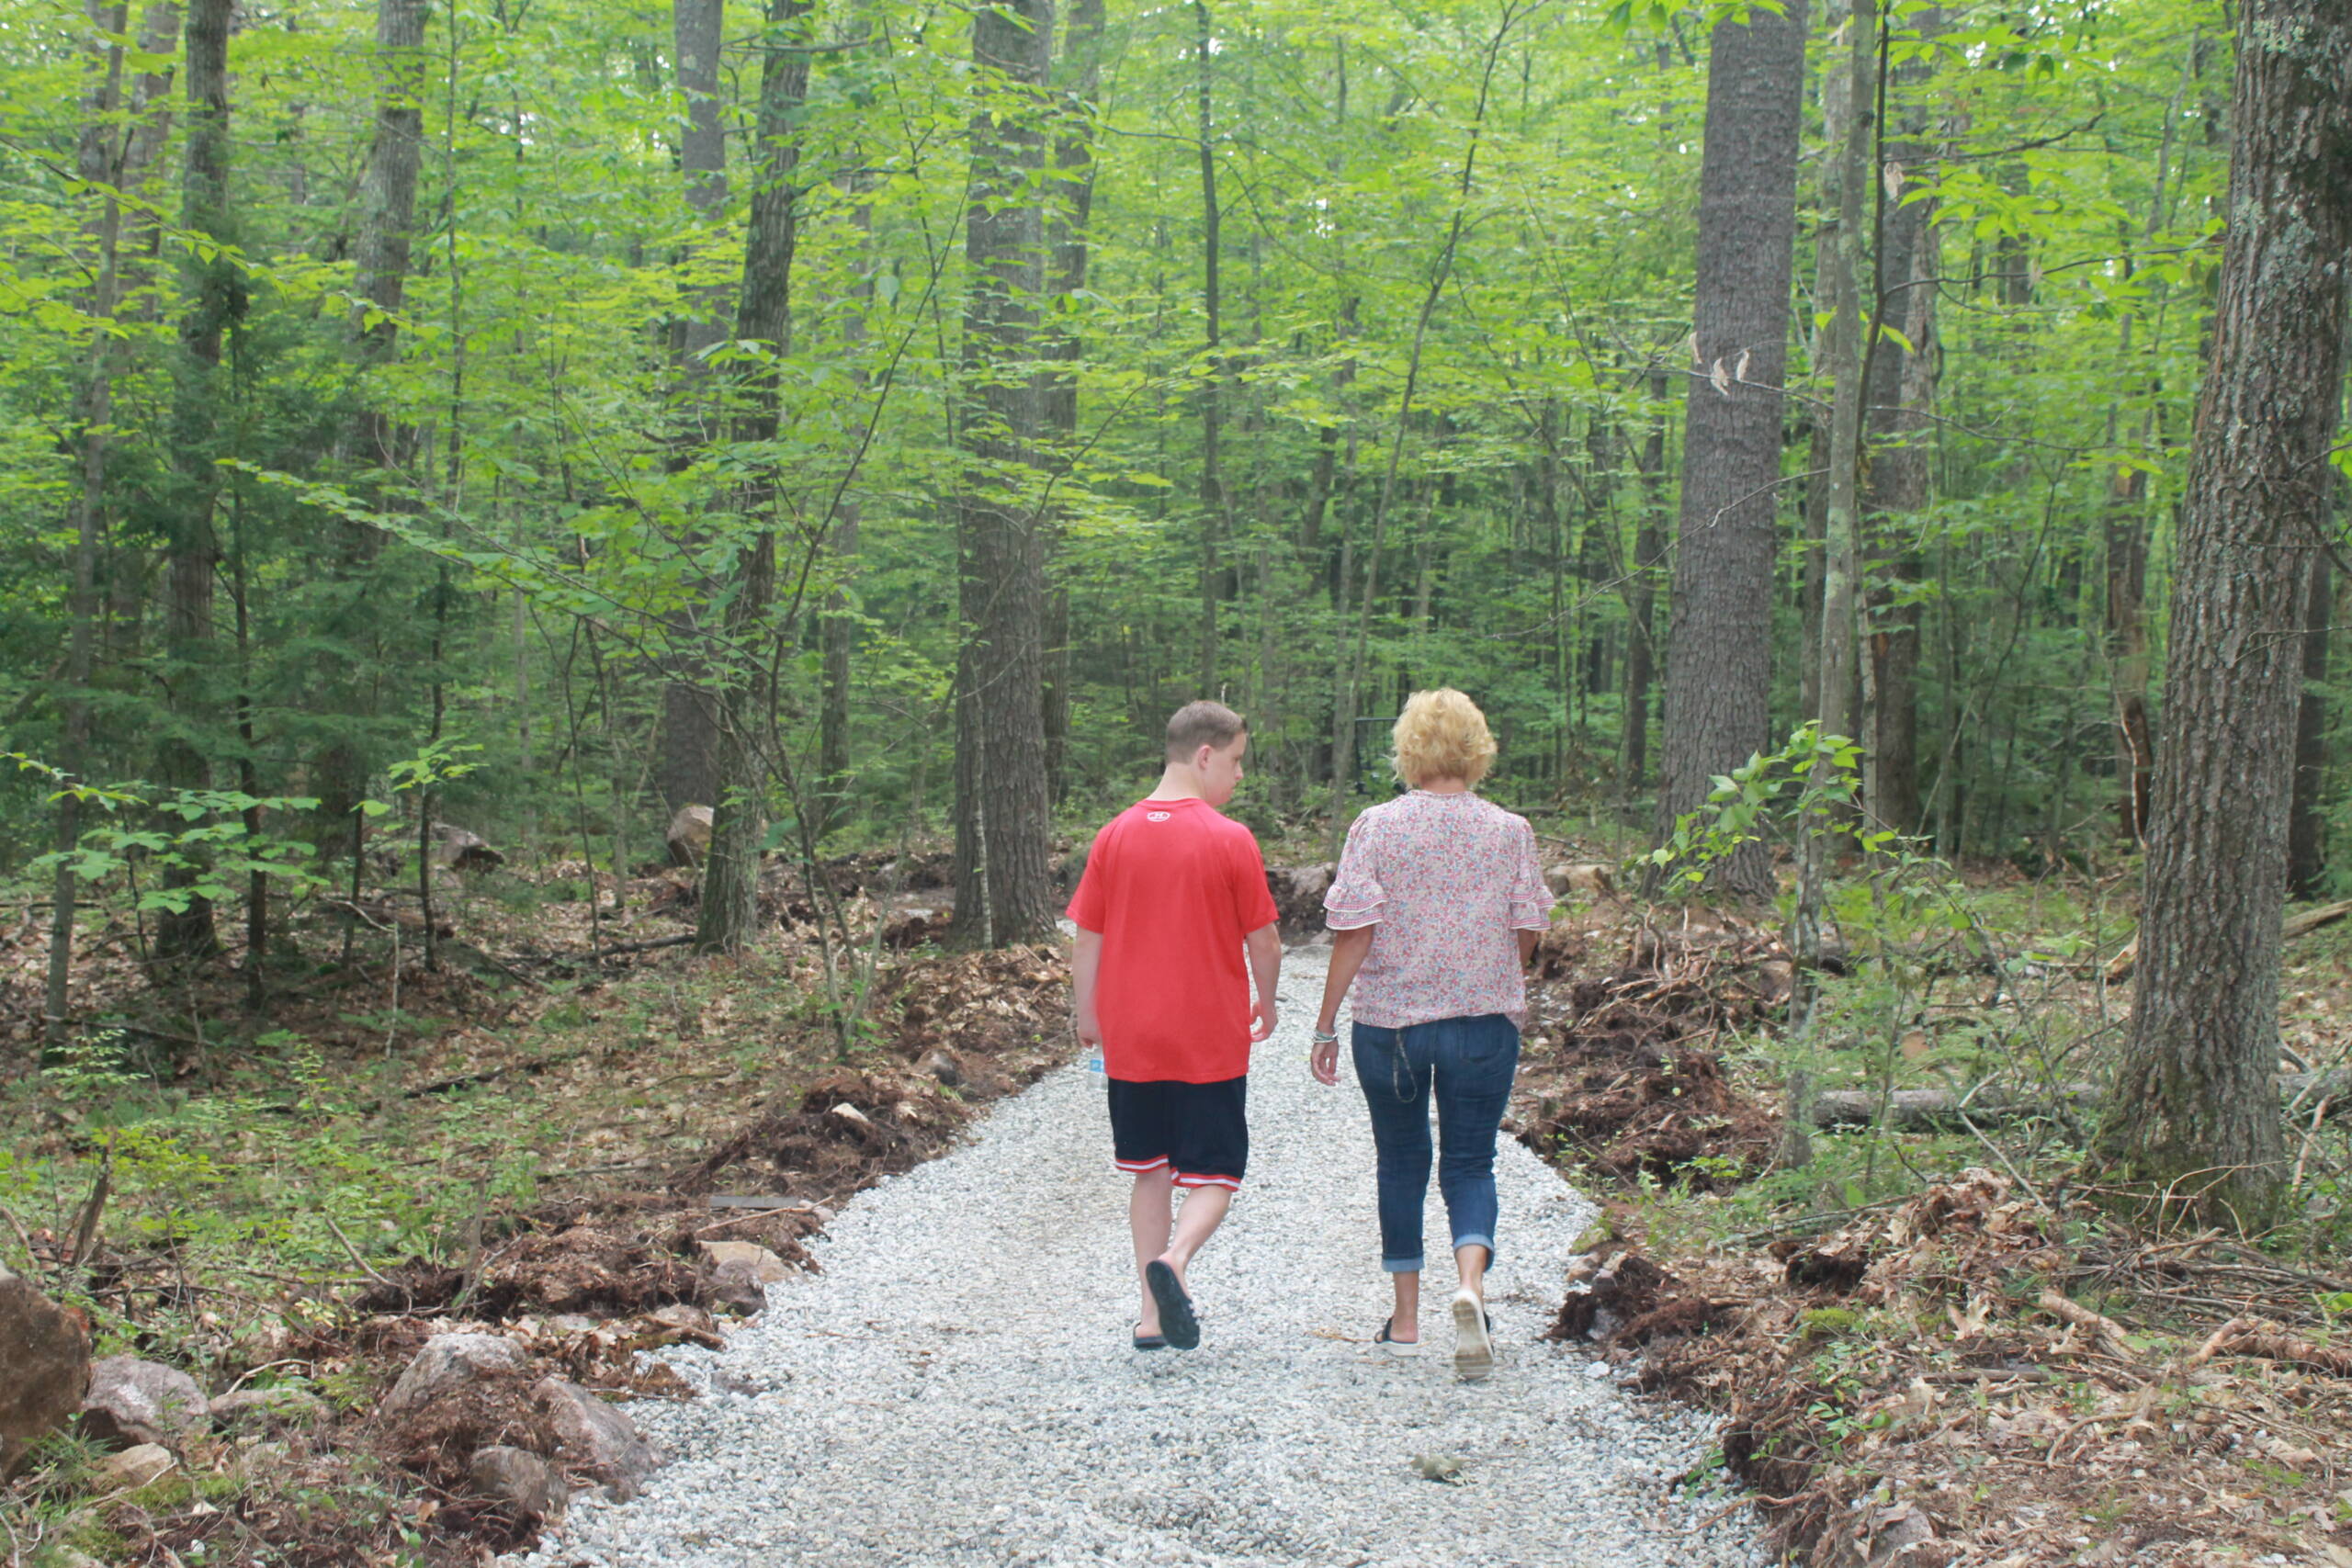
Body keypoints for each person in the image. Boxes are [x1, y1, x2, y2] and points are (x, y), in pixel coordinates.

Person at [1308, 688, 1554, 1380]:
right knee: (1471, 1162)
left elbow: (1353, 932)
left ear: (1408, 748)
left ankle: (1407, 1319)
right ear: (1478, 748)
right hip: (1483, 1024)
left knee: (1401, 1159)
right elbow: (1527, 930)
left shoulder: (1377, 826)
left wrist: (1326, 1025)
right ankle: (1471, 1287)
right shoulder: (1511, 831)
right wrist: (1502, 975)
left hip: (1392, 1026)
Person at [1069, 700, 1283, 1350]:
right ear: (1205, 755)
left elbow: (1088, 936)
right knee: (1216, 1172)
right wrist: (1268, 1002)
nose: (1240, 776)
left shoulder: (1115, 834)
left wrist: (1087, 1014)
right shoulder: (1229, 838)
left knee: (1150, 1168)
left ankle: (1149, 1314)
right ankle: (1177, 1260)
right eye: (1238, 761)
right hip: (1208, 1035)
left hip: (1132, 1035)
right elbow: (1266, 941)